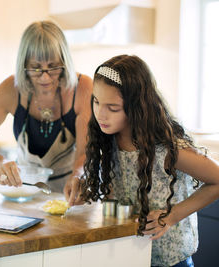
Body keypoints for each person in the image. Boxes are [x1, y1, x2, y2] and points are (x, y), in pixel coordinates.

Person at [79, 54, 219, 267]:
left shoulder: (167, 149)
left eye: (113, 108)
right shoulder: (108, 140)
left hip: (171, 262)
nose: (100, 114)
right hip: (130, 258)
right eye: (96, 102)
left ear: (136, 107)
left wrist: (171, 216)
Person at [0, 21, 93, 193]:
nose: (45, 78)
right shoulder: (10, 90)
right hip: (24, 192)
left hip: (68, 195)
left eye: (53, 67)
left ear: (65, 62)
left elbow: (85, 153)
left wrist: (78, 176)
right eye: (36, 68)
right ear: (23, 65)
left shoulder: (82, 89)